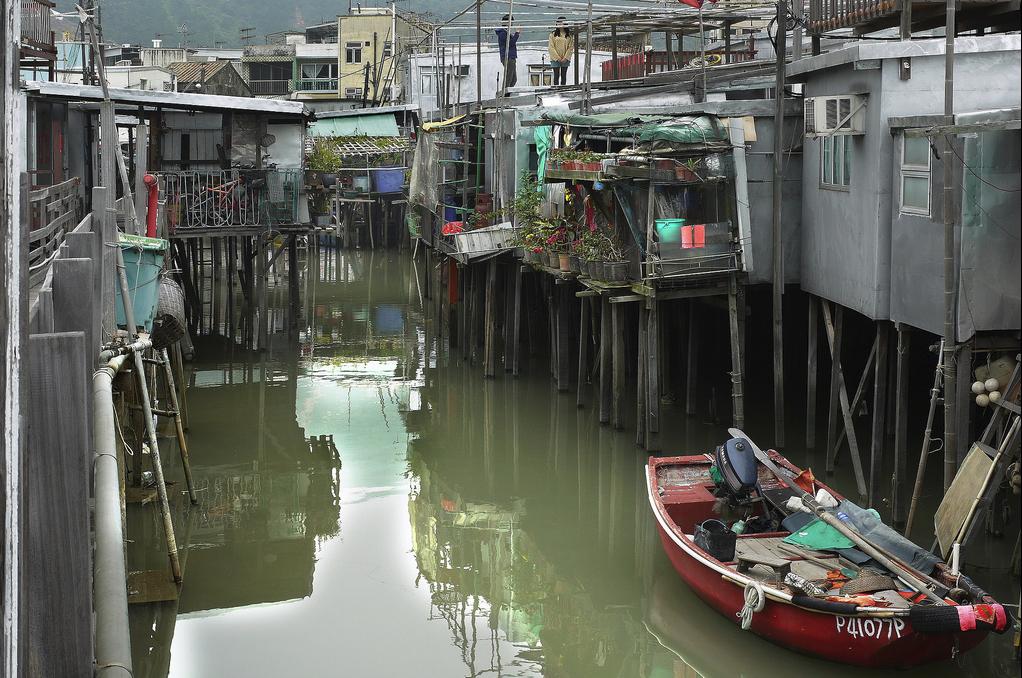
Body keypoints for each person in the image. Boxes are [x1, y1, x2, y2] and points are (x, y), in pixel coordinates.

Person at [494, 15, 520, 90]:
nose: (512, 24)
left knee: (513, 79)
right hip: (508, 57)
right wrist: (517, 33)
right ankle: (504, 94)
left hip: (511, 57)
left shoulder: (505, 32)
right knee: (509, 78)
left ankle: (507, 92)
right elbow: (510, 44)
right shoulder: (503, 33)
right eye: (511, 22)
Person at [548, 17, 573, 86]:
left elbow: (570, 48)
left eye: (561, 22)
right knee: (556, 76)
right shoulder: (552, 34)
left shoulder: (569, 35)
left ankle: (563, 91)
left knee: (563, 76)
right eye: (558, 22)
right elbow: (551, 47)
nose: (559, 23)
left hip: (565, 59)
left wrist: (565, 58)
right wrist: (558, 58)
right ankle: (556, 91)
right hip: (555, 59)